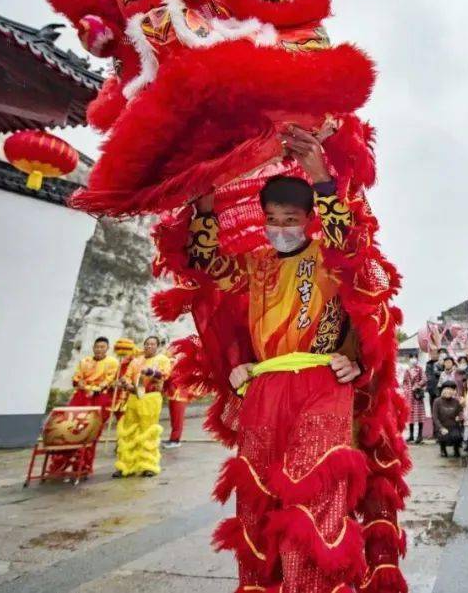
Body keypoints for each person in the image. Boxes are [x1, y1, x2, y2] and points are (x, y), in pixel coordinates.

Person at [179, 129, 387, 592]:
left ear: (309, 219)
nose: (279, 228)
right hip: (265, 388)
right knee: (257, 501)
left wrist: (321, 179)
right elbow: (204, 264)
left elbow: (354, 248)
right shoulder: (254, 262)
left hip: (320, 381)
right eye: (271, 219)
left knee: (314, 494)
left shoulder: (330, 255)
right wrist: (205, 206)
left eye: (289, 218)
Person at [48, 336, 119, 476]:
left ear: (107, 348)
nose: (99, 349)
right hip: (81, 396)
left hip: (100, 399)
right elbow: (77, 377)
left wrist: (95, 388)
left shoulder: (112, 362)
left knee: (90, 433)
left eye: (102, 347)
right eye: (97, 346)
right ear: (93, 347)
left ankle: (82, 466)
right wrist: (80, 383)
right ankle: (59, 464)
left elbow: (108, 380)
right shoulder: (85, 361)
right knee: (69, 430)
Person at [113, 335, 173, 478]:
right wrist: (125, 382)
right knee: (129, 430)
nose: (149, 346)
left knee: (148, 431)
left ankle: (148, 465)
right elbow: (128, 375)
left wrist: (151, 372)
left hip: (151, 397)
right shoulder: (136, 360)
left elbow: (165, 374)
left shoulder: (162, 360)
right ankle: (126, 466)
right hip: (134, 397)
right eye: (147, 344)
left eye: (152, 344)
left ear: (157, 346)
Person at [162, 339, 190, 449]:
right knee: (174, 418)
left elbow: (171, 375)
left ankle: (175, 440)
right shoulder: (171, 362)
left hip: (180, 395)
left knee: (178, 419)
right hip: (172, 394)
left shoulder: (181, 364)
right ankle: (173, 438)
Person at [432, 382, 464, 458]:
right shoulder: (437, 401)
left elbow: (460, 413)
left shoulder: (456, 401)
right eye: (446, 389)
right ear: (443, 391)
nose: (448, 391)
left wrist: (460, 416)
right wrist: (441, 428)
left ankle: (456, 449)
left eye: (450, 390)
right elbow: (435, 417)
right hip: (442, 426)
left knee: (457, 436)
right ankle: (442, 449)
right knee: (444, 435)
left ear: (453, 392)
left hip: (453, 426)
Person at [402, 353, 427, 444]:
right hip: (409, 396)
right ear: (409, 359)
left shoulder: (420, 369)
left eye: (415, 357)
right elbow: (404, 382)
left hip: (417, 396)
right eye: (411, 357)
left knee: (419, 415)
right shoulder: (407, 370)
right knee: (411, 415)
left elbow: (424, 379)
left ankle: (420, 435)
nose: (413, 359)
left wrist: (417, 385)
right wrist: (406, 390)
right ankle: (411, 435)